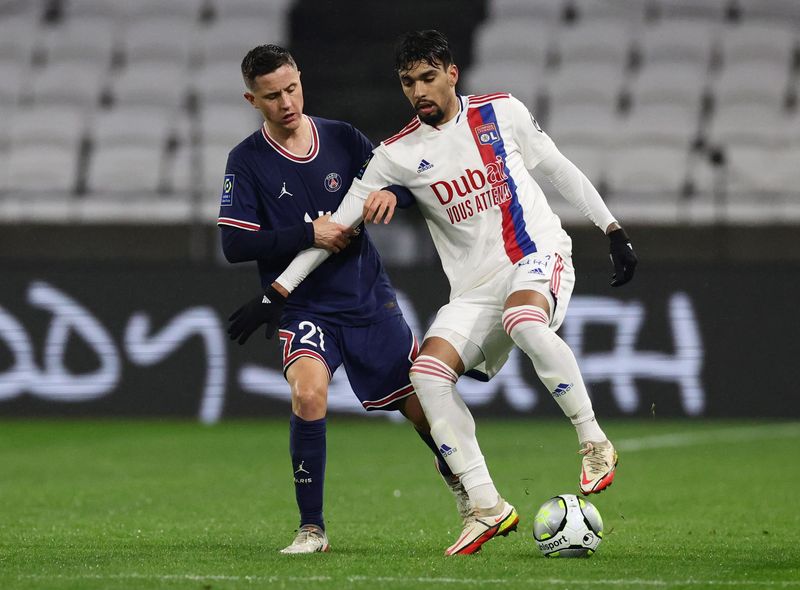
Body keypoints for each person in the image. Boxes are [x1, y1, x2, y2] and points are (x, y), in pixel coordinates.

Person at [228, 31, 638, 556]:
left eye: (427, 78)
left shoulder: (501, 112)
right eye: (407, 82)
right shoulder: (396, 154)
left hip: (533, 257)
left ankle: (593, 440)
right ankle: (487, 507)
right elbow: (338, 223)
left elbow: (557, 167)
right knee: (425, 376)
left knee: (524, 322)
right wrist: (278, 290)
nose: (418, 90)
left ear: (452, 74)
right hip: (472, 288)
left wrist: (611, 229)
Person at [220, 44, 470, 555]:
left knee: (423, 410)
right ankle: (312, 528)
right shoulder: (245, 162)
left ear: (301, 80)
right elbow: (235, 243)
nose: (286, 102)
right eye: (272, 96)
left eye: (291, 89)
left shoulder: (341, 137)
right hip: (304, 306)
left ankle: (471, 491)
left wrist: (391, 197)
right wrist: (307, 232)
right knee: (308, 393)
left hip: (364, 299)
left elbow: (400, 182)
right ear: (252, 99)